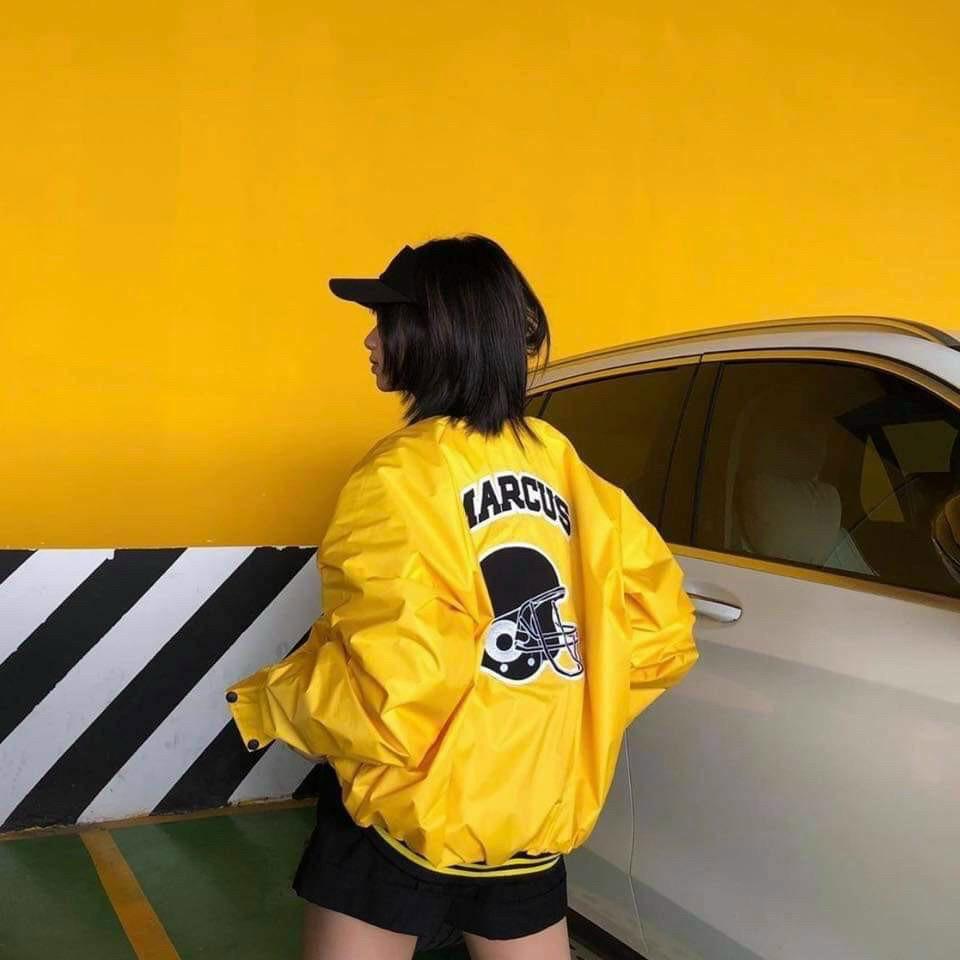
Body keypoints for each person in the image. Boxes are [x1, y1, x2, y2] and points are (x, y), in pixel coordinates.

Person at [225, 235, 699, 960]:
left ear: (430, 333)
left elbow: (395, 694)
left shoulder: (400, 476)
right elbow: (663, 632)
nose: (369, 340)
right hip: (529, 819)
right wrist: (550, 718)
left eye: (383, 322)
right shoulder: (562, 463)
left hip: (404, 824)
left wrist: (271, 701)